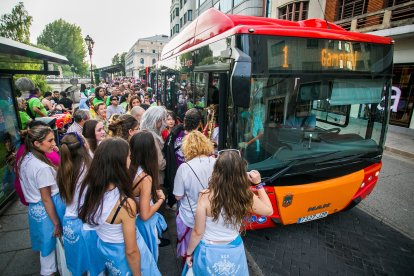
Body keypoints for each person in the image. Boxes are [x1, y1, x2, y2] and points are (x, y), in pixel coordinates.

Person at [78, 138, 161, 275]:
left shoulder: (90, 189)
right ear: (120, 163)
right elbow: (131, 251)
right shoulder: (125, 204)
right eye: (128, 156)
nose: (131, 159)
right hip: (125, 256)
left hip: (105, 249)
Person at [184, 150, 273, 275]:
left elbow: (197, 232)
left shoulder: (205, 196)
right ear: (241, 173)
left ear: (216, 171)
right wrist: (258, 184)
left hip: (208, 249)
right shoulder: (245, 196)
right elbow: (269, 210)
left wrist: (189, 253)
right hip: (233, 249)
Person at [17, 125, 66, 275]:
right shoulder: (42, 167)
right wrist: (56, 222)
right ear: (37, 144)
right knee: (50, 251)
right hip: (49, 211)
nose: (54, 144)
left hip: (36, 210)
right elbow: (46, 198)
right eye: (50, 141)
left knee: (46, 248)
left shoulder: (25, 159)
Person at [56, 133, 105, 276]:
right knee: (95, 267)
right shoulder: (90, 169)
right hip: (88, 224)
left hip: (70, 223)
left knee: (78, 266)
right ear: (84, 145)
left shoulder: (63, 169)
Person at [173, 131, 215, 261]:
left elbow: (178, 196)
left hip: (190, 218)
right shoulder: (216, 162)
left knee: (189, 251)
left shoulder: (184, 168)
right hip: (212, 215)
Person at [129, 131, 167, 262]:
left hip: (131, 222)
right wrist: (161, 200)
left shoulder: (127, 168)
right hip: (144, 226)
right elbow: (145, 215)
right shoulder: (145, 178)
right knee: (149, 261)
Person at [163, 108, 202, 208]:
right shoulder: (199, 139)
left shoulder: (175, 133)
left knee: (181, 203)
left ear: (185, 121)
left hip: (177, 175)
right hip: (193, 177)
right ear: (198, 123)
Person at [139, 106, 167, 186]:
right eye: (162, 120)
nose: (164, 123)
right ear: (156, 120)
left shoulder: (145, 132)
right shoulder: (152, 136)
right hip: (157, 178)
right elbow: (159, 163)